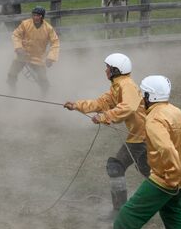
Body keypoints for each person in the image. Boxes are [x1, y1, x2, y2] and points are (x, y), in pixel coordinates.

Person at [88, 75, 181, 229]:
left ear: (150, 95)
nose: (141, 98)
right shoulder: (175, 110)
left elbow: (166, 149)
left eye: (144, 94)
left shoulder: (154, 119)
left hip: (166, 178)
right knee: (173, 214)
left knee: (130, 212)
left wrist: (171, 176)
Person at [64, 53, 150, 219]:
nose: (105, 70)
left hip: (142, 135)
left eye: (108, 68)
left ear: (115, 70)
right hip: (140, 135)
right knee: (148, 170)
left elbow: (128, 108)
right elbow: (101, 103)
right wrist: (76, 105)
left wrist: (104, 117)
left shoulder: (127, 86)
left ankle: (119, 212)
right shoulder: (118, 86)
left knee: (115, 166)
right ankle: (169, 192)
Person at [7, 6, 59, 93]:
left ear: (42, 17)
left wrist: (51, 58)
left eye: (38, 15)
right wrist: (19, 48)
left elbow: (55, 42)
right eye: (34, 15)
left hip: (38, 57)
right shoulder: (25, 24)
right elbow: (16, 35)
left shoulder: (48, 28)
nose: (35, 17)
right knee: (11, 74)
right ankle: (12, 91)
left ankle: (45, 95)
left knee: (43, 79)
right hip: (23, 55)